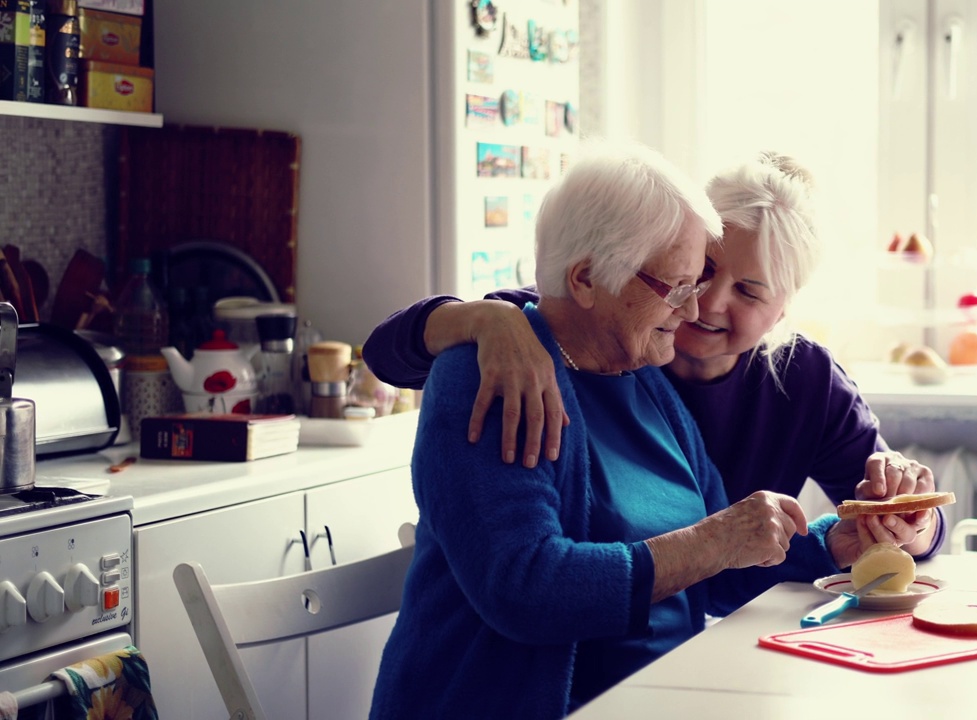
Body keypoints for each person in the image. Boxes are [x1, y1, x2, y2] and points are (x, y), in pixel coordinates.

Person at [370, 142, 921, 719]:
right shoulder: (493, 374)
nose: (694, 311)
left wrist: (835, 543)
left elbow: (715, 573)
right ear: (586, 280)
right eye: (680, 285)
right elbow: (525, 590)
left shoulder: (643, 377)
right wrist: (712, 542)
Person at [364, 151, 944, 559]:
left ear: (784, 310)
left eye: (749, 290)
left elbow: (895, 516)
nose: (705, 303)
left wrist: (909, 522)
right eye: (700, 272)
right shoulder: (583, 330)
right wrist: (481, 319)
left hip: (698, 624)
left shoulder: (806, 378)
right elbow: (389, 357)